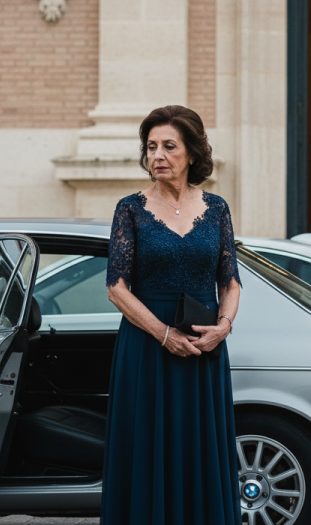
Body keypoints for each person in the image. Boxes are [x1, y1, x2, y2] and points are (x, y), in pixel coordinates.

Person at [101, 105, 242, 525]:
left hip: (204, 350)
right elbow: (116, 287)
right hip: (147, 349)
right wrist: (163, 334)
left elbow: (230, 283)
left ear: (192, 154)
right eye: (151, 147)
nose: (157, 155)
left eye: (168, 146)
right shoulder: (129, 208)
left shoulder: (217, 208)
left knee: (198, 446)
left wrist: (223, 328)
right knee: (147, 446)